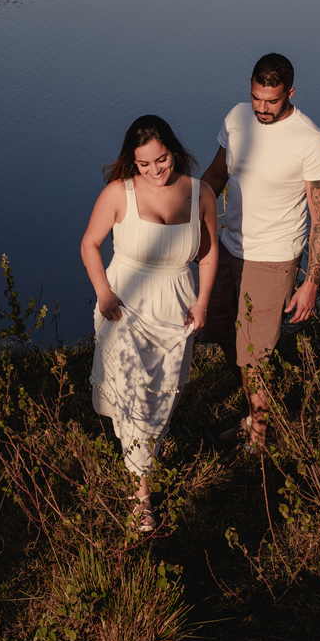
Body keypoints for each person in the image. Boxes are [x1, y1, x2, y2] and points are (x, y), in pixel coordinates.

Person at [81, 114, 218, 531]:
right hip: (125, 307)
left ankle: (139, 457)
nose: (155, 171)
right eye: (144, 164)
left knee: (161, 400)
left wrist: (203, 303)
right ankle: (141, 496)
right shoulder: (118, 194)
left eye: (161, 160)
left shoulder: (202, 194)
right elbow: (90, 244)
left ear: (173, 151)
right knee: (136, 399)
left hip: (176, 311)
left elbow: (209, 254)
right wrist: (103, 292)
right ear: (133, 163)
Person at [199, 53, 320, 451]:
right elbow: (215, 176)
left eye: (271, 101)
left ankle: (259, 440)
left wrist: (311, 282)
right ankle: (252, 412)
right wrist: (191, 228)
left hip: (274, 258)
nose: (262, 108)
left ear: (289, 93)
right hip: (228, 249)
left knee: (255, 357)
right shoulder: (237, 118)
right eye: (257, 97)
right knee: (222, 333)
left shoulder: (310, 142)